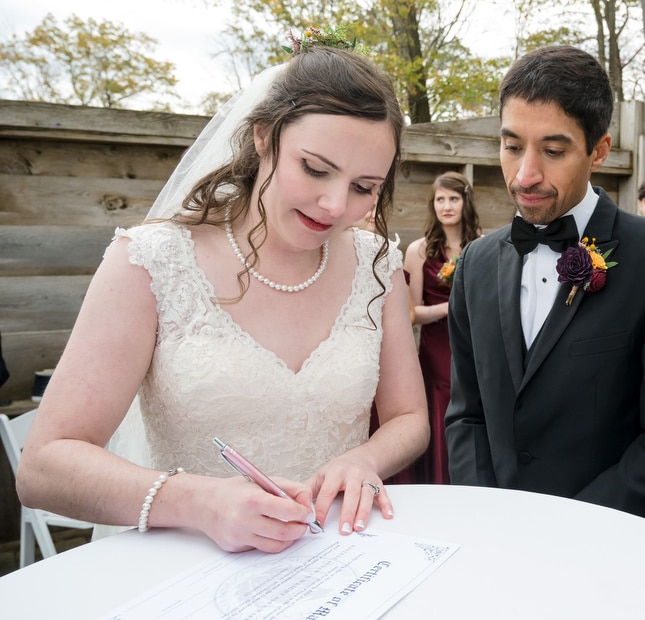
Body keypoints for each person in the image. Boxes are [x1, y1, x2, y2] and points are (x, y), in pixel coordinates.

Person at [16, 43, 429, 554]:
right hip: (187, 565)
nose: (336, 205)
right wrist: (199, 502)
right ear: (263, 137)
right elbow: (43, 465)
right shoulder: (150, 261)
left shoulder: (378, 265)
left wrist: (364, 458)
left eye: (365, 187)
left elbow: (409, 420)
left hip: (336, 554)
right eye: (316, 169)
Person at [445, 45, 645, 532]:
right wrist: (490, 520)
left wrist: (562, 532)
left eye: (553, 151)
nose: (525, 174)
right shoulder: (475, 264)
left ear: (599, 150)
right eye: (512, 146)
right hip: (501, 543)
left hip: (623, 547)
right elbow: (467, 417)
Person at [394, 171, 481, 484]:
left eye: (453, 198)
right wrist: (451, 306)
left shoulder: (481, 246)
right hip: (436, 349)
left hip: (474, 347)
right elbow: (411, 313)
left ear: (465, 202)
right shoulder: (418, 250)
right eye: (440, 199)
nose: (447, 205)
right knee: (440, 412)